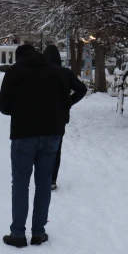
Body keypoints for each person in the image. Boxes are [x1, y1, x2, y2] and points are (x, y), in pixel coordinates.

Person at [0, 44, 71, 248]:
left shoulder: (14, 72)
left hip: (23, 134)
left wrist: (20, 110)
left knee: (20, 184)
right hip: (51, 134)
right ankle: (39, 232)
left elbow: (3, 105)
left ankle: (18, 233)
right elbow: (66, 100)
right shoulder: (55, 71)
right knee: (44, 184)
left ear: (19, 57)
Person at [43, 45, 87, 191]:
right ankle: (52, 179)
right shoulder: (65, 73)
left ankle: (42, 176)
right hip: (60, 116)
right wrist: (69, 102)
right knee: (56, 148)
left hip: (40, 115)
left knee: (41, 147)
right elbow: (82, 89)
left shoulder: (40, 72)